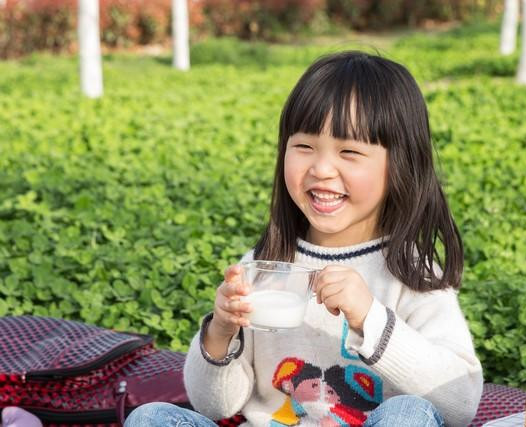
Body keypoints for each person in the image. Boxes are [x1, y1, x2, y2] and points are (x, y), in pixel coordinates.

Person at [125, 50, 483, 427]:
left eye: (349, 152)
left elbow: (460, 404)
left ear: (400, 165)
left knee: (409, 414)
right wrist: (220, 332)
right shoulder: (264, 265)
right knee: (150, 418)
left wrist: (369, 317)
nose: (322, 168)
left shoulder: (412, 274)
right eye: (304, 147)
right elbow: (215, 407)